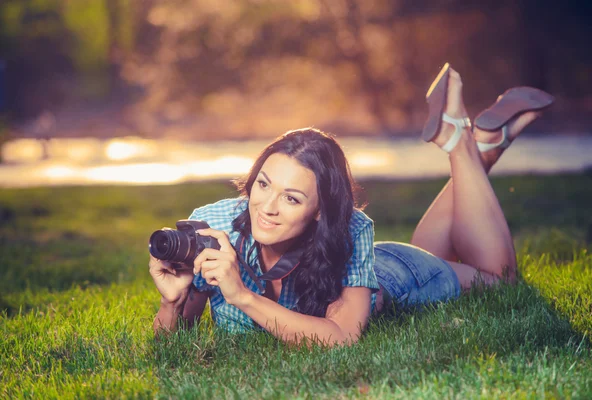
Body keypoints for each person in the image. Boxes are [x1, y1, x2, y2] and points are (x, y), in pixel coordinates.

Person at [149, 63, 553, 347]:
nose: (267, 207)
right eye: (263, 185)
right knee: (441, 248)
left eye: (292, 198)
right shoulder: (210, 226)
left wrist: (242, 296)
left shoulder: (353, 228)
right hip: (378, 268)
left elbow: (342, 338)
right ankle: (478, 148)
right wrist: (173, 301)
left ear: (321, 210)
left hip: (399, 276)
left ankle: (464, 146)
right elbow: (176, 341)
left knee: (498, 279)